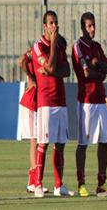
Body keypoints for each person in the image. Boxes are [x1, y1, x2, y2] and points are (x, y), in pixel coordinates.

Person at [72, 12, 107, 197]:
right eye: (89, 26)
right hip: (86, 102)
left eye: (94, 25)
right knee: (83, 143)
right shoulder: (78, 47)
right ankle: (81, 183)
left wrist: (97, 64)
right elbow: (86, 73)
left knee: (104, 141)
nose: (92, 29)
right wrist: (99, 71)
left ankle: (101, 183)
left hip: (100, 100)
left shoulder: (97, 47)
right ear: (82, 27)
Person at [30, 10, 73, 198]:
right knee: (44, 143)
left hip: (60, 100)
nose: (55, 26)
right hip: (45, 101)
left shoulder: (60, 46)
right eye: (51, 23)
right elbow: (49, 65)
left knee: (61, 144)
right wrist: (54, 45)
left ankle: (58, 185)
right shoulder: (38, 46)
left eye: (56, 22)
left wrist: (52, 70)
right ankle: (38, 184)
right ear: (45, 26)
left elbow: (66, 70)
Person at [18, 49, 48, 194]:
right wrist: (30, 77)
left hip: (38, 105)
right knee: (34, 142)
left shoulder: (48, 54)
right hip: (29, 104)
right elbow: (21, 61)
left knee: (39, 142)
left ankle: (34, 180)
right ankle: (32, 181)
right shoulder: (35, 51)